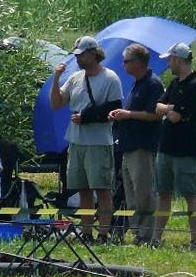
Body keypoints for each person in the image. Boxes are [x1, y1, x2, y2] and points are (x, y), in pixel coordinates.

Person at [49, 35, 123, 242]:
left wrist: (87, 117)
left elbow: (115, 107)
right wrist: (56, 78)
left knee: (102, 189)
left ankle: (104, 233)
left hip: (98, 142)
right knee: (83, 189)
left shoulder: (110, 78)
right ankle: (87, 231)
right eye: (77, 56)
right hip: (76, 141)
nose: (79, 60)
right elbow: (57, 103)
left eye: (82, 55)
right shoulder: (74, 78)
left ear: (93, 54)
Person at [150, 42, 196, 251]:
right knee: (163, 193)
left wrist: (169, 110)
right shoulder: (174, 84)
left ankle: (195, 241)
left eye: (170, 59)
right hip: (165, 147)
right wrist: (169, 109)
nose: (168, 63)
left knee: (190, 195)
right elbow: (158, 107)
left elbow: (175, 117)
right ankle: (156, 238)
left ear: (179, 60)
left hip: (185, 150)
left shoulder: (195, 86)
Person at [108, 43, 164, 244]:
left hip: (143, 146)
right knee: (131, 194)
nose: (123, 65)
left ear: (138, 62)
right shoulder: (136, 83)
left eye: (126, 61)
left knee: (144, 192)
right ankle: (137, 232)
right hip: (127, 146)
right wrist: (120, 116)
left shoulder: (153, 84)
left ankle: (147, 233)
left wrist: (128, 114)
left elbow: (154, 115)